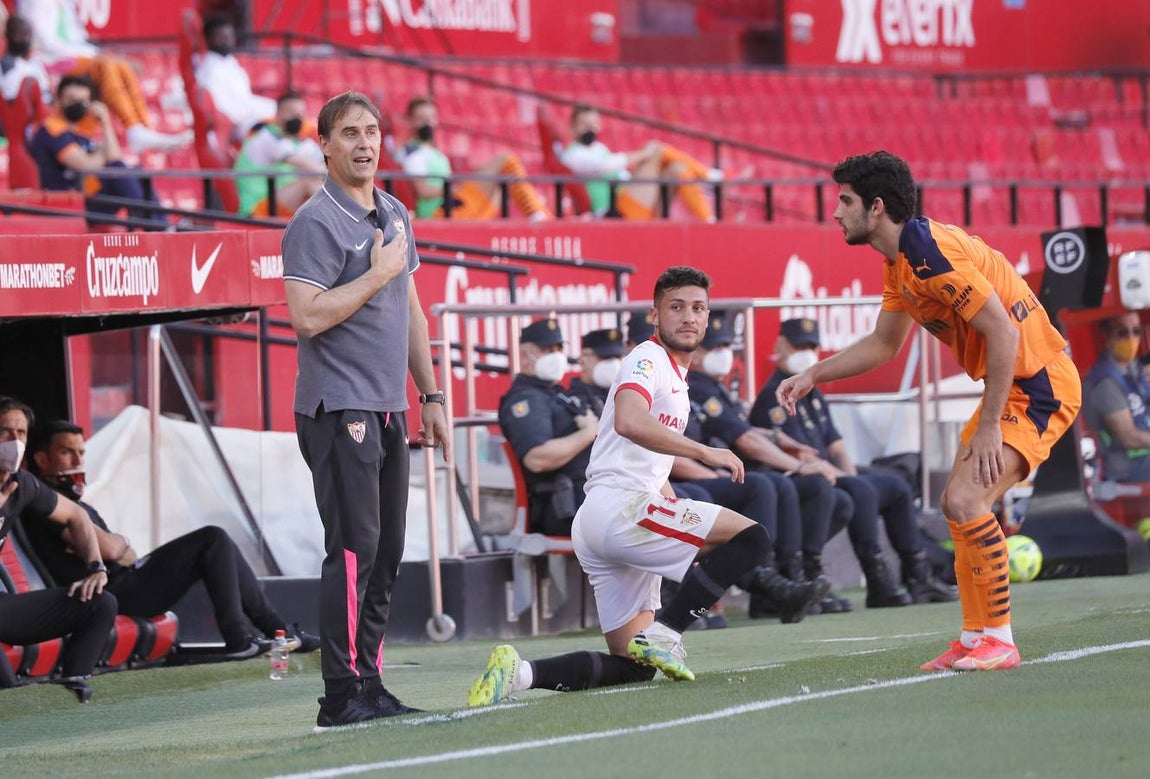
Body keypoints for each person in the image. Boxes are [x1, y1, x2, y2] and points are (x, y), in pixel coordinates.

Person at [776, 150, 1081, 672]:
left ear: (875, 208)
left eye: (844, 201)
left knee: (966, 498)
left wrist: (988, 429)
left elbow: (1004, 333)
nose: (835, 212)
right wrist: (812, 374)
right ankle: (973, 638)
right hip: (1015, 387)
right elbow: (883, 345)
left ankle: (1000, 640)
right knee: (954, 502)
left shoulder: (929, 254)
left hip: (1040, 386)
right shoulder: (901, 260)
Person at [466, 267, 827, 706]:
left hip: (607, 518)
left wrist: (672, 497)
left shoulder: (674, 374)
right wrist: (704, 452)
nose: (689, 317)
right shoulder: (648, 358)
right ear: (655, 315)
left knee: (632, 667)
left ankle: (518, 674)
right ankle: (668, 631)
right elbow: (630, 421)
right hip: (622, 511)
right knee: (752, 537)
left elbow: (645, 454)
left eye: (698, 308)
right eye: (676, 307)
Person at [282, 91, 449, 728]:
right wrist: (377, 274)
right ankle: (339, 694)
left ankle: (371, 681)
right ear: (323, 144)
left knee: (387, 552)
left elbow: (409, 306)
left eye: (373, 131)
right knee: (352, 550)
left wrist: (429, 395)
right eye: (349, 132)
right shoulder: (312, 222)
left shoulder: (394, 210)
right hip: (336, 406)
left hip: (388, 404)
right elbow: (306, 316)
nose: (364, 143)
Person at [20, 419, 319, 658]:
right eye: (66, 452)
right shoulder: (48, 505)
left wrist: (115, 544)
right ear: (42, 459)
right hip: (109, 595)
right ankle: (240, 638)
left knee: (218, 541)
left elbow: (127, 553)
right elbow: (112, 550)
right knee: (212, 539)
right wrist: (114, 544)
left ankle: (278, 632)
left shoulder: (75, 504)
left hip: (126, 580)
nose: (77, 460)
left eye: (81, 452)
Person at [751, 318, 956, 604]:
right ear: (780, 346)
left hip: (830, 471)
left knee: (894, 485)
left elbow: (835, 444)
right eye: (799, 345)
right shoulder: (775, 396)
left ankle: (919, 574)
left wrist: (849, 473)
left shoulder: (811, 390)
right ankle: (877, 580)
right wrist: (849, 479)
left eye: (811, 346)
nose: (806, 352)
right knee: (862, 490)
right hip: (804, 476)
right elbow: (800, 455)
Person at [686, 311, 867, 615]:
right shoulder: (701, 388)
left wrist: (780, 438)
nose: (722, 355)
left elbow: (744, 429)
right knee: (772, 485)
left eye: (725, 347)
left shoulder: (716, 387)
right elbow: (744, 441)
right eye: (712, 349)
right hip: (709, 474)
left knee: (832, 494)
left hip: (724, 470)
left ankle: (792, 574)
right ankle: (770, 584)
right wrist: (798, 465)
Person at [0, 397, 116, 703]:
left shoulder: (21, 484)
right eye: (5, 432)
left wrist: (96, 568)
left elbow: (76, 516)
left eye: (21, 433)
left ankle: (72, 692)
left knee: (99, 603)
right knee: (10, 700)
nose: (14, 441)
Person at [15, 4, 190, 152]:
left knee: (120, 66)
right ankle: (134, 128)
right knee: (106, 64)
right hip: (49, 60)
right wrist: (96, 55)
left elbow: (78, 38)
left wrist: (99, 54)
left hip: (75, 56)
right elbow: (48, 43)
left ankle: (142, 128)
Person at [498, 319, 596, 536]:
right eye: (546, 350)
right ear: (524, 356)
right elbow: (537, 458)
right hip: (565, 505)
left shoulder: (555, 393)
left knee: (681, 503)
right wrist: (588, 433)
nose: (556, 355)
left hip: (592, 495)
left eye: (559, 348)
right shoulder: (525, 400)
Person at [28, 74, 166, 228]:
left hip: (93, 195)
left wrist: (106, 121)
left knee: (138, 173)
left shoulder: (81, 132)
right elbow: (85, 165)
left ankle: (159, 226)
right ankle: (155, 227)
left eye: (83, 101)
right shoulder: (52, 129)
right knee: (117, 170)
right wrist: (103, 157)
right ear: (59, 100)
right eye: (72, 100)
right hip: (70, 200)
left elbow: (113, 156)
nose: (78, 105)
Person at [397, 95, 551, 221]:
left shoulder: (433, 152)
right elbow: (423, 190)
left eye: (430, 117)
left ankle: (537, 213)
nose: (427, 122)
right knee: (506, 160)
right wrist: (455, 188)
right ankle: (535, 212)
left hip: (452, 207)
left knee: (500, 182)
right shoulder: (413, 152)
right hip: (439, 213)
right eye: (421, 118)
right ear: (410, 122)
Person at [559, 104, 720, 223]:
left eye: (593, 123)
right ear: (573, 128)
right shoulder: (573, 155)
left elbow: (619, 171)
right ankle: (708, 175)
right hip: (613, 211)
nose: (590, 128)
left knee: (676, 169)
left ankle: (708, 219)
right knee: (655, 149)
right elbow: (605, 165)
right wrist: (643, 155)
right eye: (584, 124)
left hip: (629, 203)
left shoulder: (599, 148)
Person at [1082, 312, 1150, 482]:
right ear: (1106, 334)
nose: (1131, 338)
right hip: (1129, 465)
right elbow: (1129, 438)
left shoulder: (1133, 369)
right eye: (1122, 332)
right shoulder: (1105, 383)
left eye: (1136, 331)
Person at [233, 90, 325, 218]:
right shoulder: (267, 137)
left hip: (279, 202)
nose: (297, 118)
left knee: (319, 184)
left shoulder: (295, 141)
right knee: (307, 184)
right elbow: (314, 168)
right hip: (256, 210)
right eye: (291, 113)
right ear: (278, 114)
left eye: (300, 114)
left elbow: (325, 162)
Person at [194, 16, 276, 141]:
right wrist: (254, 111)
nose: (227, 40)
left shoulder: (230, 62)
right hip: (234, 125)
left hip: (248, 115)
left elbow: (245, 98)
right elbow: (220, 108)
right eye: (221, 36)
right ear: (208, 38)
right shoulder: (208, 68)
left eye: (229, 36)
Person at [0, 15, 49, 101]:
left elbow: (46, 92)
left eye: (27, 35)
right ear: (7, 35)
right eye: (20, 35)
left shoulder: (35, 62)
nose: (25, 39)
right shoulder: (4, 65)